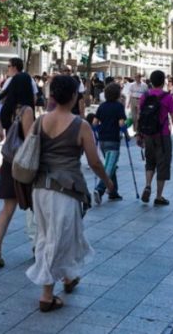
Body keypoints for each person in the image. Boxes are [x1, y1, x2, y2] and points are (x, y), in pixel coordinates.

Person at [26, 74, 113, 313]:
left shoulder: (41, 121)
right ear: (74, 96)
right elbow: (94, 161)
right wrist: (107, 182)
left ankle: (68, 277)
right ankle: (46, 295)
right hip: (66, 190)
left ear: (52, 95)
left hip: (40, 188)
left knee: (49, 236)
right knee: (59, 238)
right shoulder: (80, 124)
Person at [0, 96, 37, 270]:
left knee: (7, 209)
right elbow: (30, 139)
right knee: (34, 205)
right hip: (23, 163)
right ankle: (37, 246)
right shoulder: (26, 110)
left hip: (9, 161)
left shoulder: (6, 107)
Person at [136, 70, 173, 206]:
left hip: (148, 135)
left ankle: (147, 185)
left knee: (150, 162)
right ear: (163, 82)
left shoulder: (145, 96)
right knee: (163, 165)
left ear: (151, 81)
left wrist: (139, 134)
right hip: (163, 136)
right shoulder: (167, 97)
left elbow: (140, 116)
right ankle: (159, 196)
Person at [0, 58, 37, 143]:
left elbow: (3, 98)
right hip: (22, 151)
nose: (8, 69)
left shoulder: (10, 80)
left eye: (9, 66)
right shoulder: (26, 110)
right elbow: (35, 97)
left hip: (11, 147)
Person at [92, 82, 127, 203]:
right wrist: (126, 134)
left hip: (102, 140)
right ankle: (100, 189)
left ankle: (113, 192)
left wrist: (97, 133)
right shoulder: (118, 106)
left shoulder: (102, 106)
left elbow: (95, 123)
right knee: (110, 167)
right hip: (113, 139)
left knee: (110, 166)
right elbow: (121, 123)